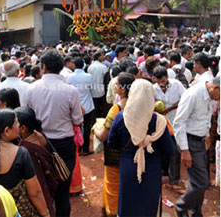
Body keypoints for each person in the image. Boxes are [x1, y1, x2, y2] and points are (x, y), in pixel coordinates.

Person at [25, 50, 83, 216]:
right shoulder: (70, 90)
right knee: (63, 190)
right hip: (64, 144)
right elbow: (78, 120)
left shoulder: (32, 89)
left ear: (43, 67)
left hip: (37, 143)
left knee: (41, 186)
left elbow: (27, 116)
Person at [108, 79, 174, 217]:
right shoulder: (159, 121)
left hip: (128, 167)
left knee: (127, 203)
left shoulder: (121, 118)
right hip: (152, 168)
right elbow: (169, 149)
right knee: (149, 205)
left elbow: (112, 143)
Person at [0, 109, 50, 217]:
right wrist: (45, 213)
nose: (19, 126)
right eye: (16, 122)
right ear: (6, 130)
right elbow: (35, 193)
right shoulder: (21, 153)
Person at [173, 77, 220, 217]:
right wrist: (185, 150)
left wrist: (206, 135)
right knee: (201, 182)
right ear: (216, 89)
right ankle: (181, 206)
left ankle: (196, 212)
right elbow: (179, 122)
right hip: (190, 142)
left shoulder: (208, 95)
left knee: (197, 181)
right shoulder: (193, 95)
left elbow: (205, 116)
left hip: (199, 141)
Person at [94, 72, 134, 217]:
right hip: (134, 154)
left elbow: (104, 136)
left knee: (113, 187)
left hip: (115, 155)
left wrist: (95, 129)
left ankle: (113, 212)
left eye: (116, 84)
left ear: (123, 89)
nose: (114, 86)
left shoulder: (116, 109)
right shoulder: (139, 107)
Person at [15, 106, 57, 216]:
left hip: (40, 194)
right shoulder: (39, 136)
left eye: (14, 124)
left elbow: (36, 187)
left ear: (23, 128)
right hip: (48, 190)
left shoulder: (26, 149)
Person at [67, 57, 95, 155]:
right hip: (87, 104)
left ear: (74, 65)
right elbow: (92, 88)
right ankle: (86, 148)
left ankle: (78, 148)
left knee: (76, 127)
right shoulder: (88, 76)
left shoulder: (69, 77)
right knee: (87, 127)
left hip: (75, 105)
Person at [88, 52, 109, 118]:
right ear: (98, 57)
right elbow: (106, 79)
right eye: (102, 55)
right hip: (101, 90)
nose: (104, 57)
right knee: (102, 107)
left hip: (93, 90)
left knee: (95, 108)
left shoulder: (90, 67)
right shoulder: (103, 67)